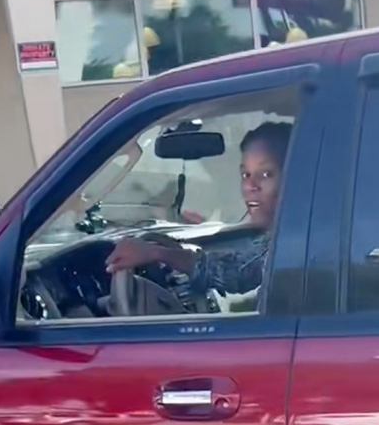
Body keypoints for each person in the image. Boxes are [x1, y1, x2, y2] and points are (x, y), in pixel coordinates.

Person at [106, 121, 292, 296]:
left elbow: (235, 273)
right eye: (246, 174)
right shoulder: (287, 235)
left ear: (296, 174)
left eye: (266, 174)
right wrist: (171, 252)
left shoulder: (298, 241)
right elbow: (240, 267)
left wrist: (157, 253)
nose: (249, 186)